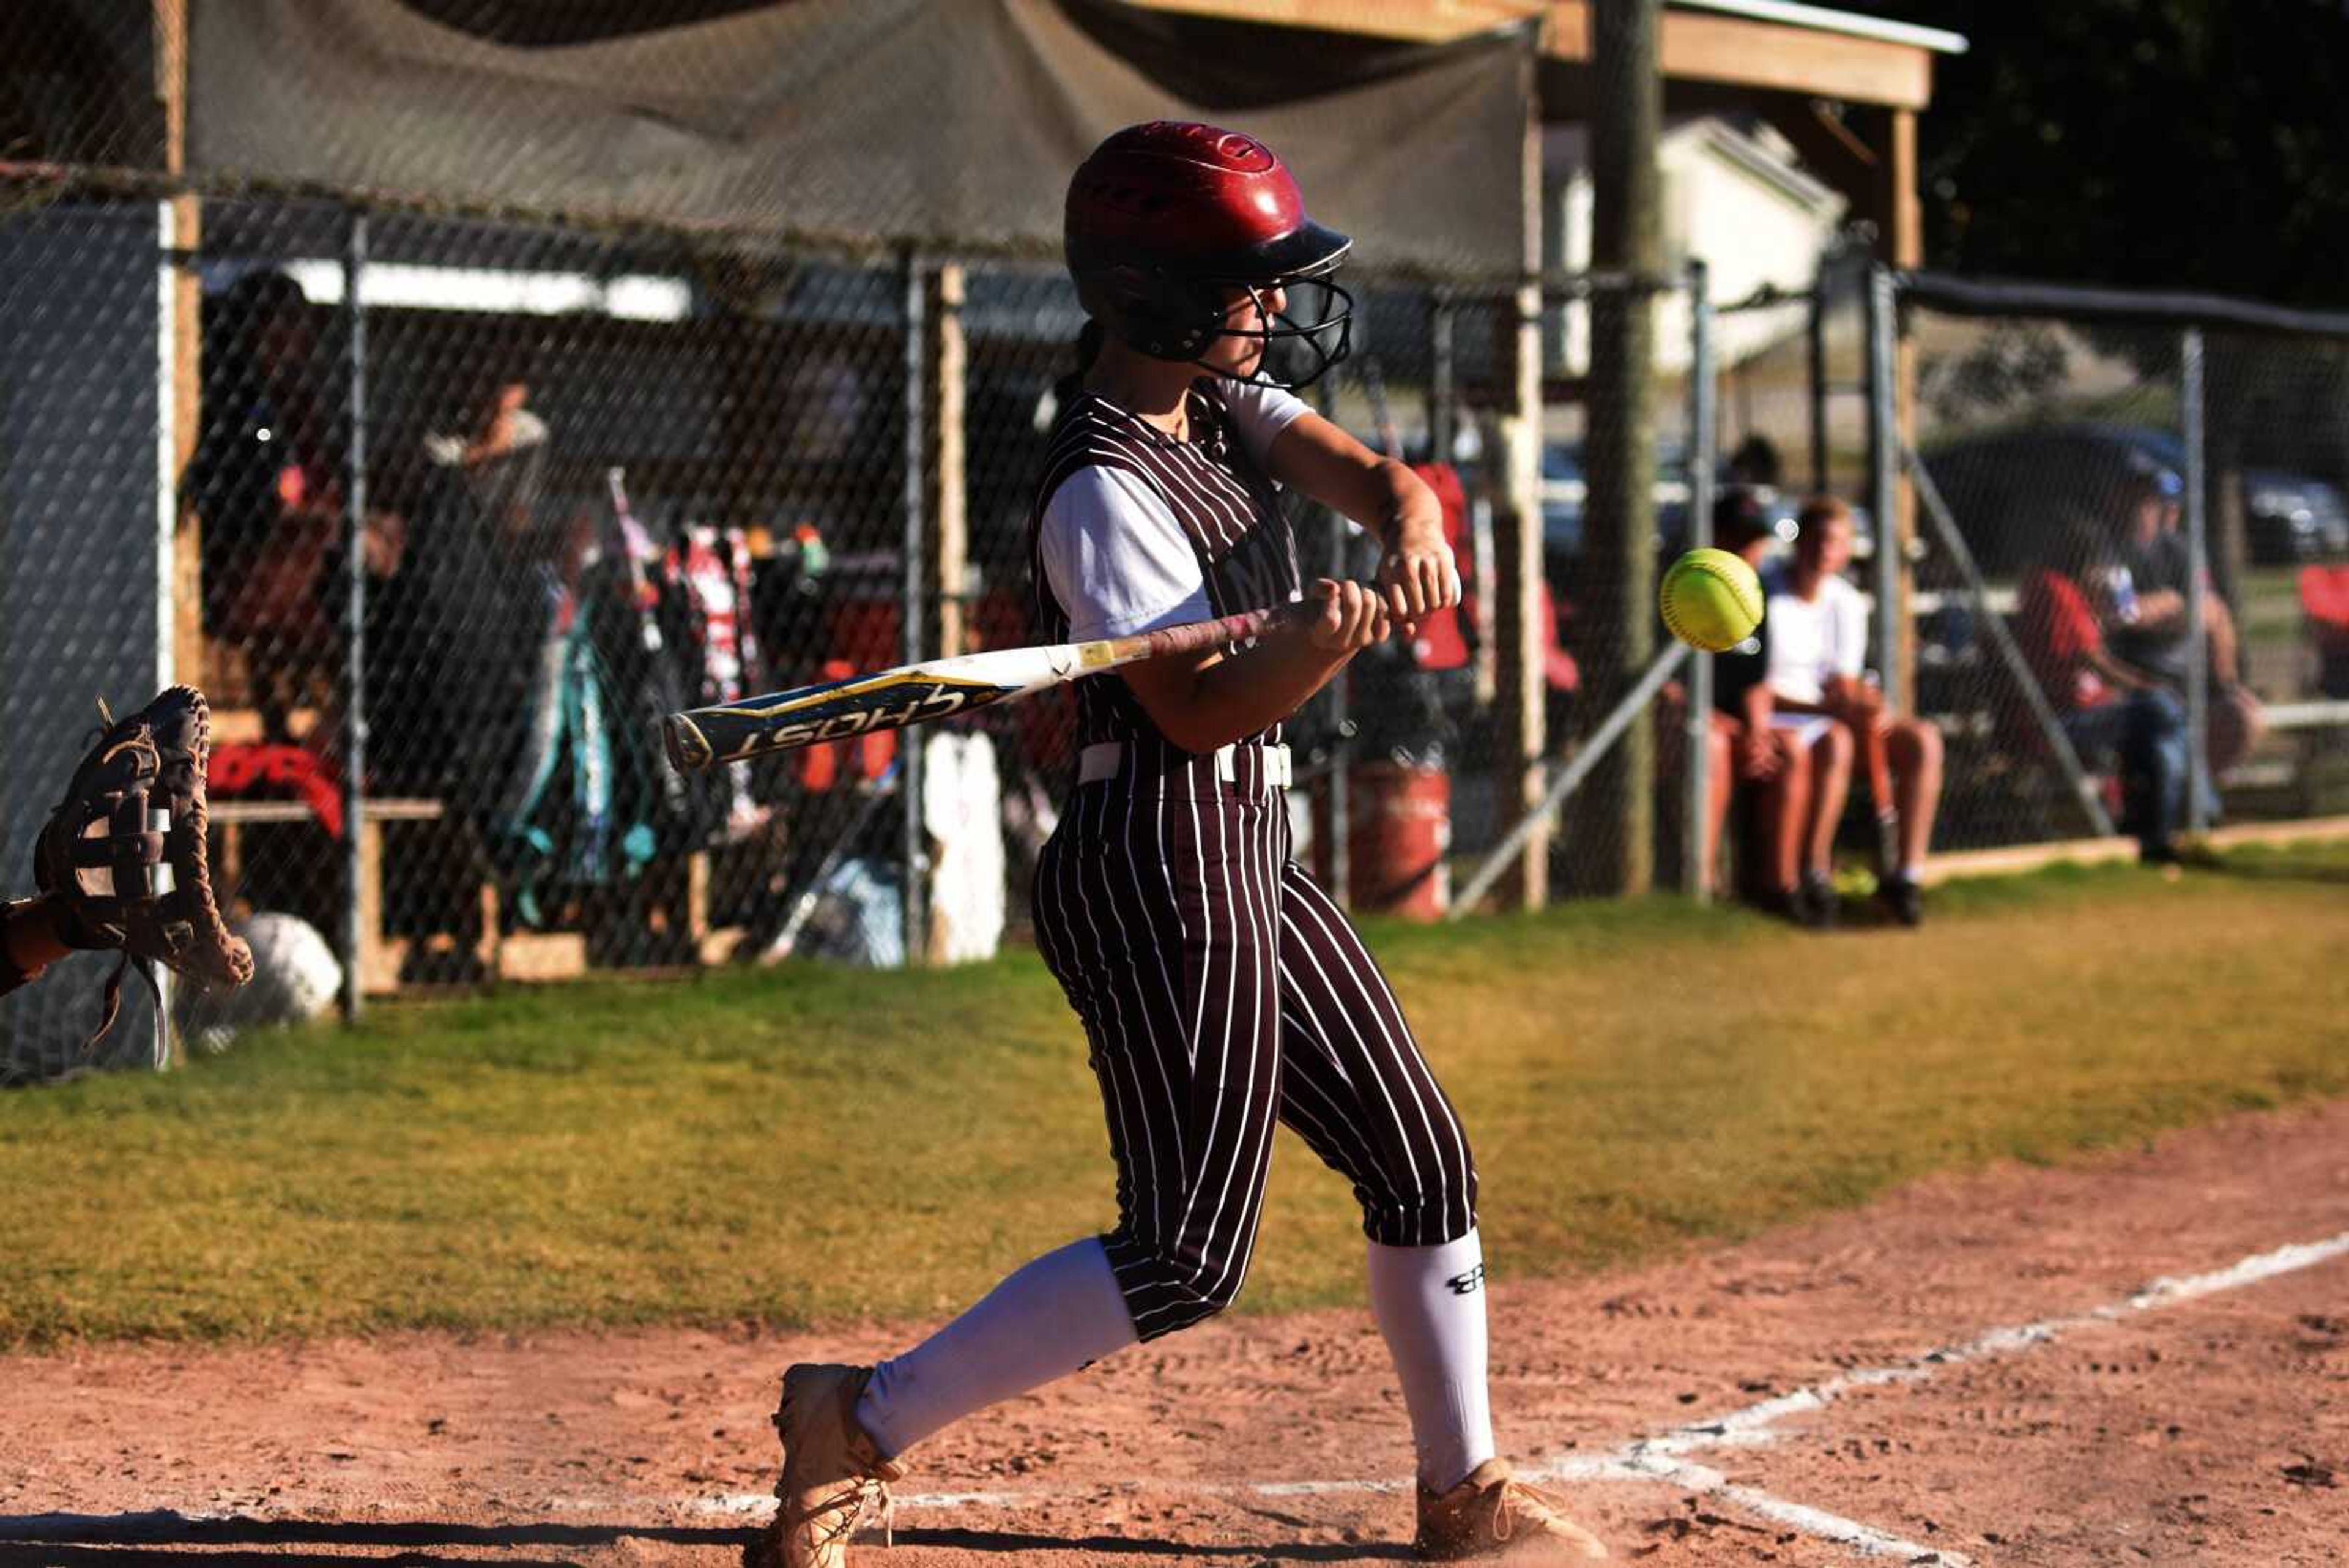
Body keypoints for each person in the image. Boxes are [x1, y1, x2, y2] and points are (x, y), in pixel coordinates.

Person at [749, 122, 1609, 1567]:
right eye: (1243, 281)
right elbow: (1198, 713)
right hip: (1155, 858)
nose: (1271, 306)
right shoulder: (1099, 486)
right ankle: (857, 1421)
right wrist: (1320, 647)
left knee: (1420, 1159)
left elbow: (1370, 478)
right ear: (1154, 295)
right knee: (1187, 1254)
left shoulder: (1218, 404)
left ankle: (1463, 1500)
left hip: (1242, 850)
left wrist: (1403, 520)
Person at [1761, 496, 1943, 926]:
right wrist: (1828, 707)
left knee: (1922, 739)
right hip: (1783, 719)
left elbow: (1842, 680)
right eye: (1817, 539)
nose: (1825, 550)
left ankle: (1905, 878)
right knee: (1837, 741)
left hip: (1825, 716)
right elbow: (1758, 687)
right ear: (1799, 542)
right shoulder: (1766, 593)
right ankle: (1816, 871)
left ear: (1846, 551)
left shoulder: (1846, 601)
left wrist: (1863, 703)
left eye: (1836, 542)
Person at [2019, 516, 2193, 862]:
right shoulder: (2054, 588)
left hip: (2086, 712)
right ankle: (2174, 823)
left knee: (2157, 736)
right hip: (2060, 721)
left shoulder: (2071, 591)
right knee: (2162, 710)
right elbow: (2092, 660)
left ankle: (2152, 830)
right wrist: (2146, 687)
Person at [1703, 492, 1817, 921]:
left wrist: (1755, 732)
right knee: (1711, 744)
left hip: (1735, 722)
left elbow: (1755, 683)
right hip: (1694, 722)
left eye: (1756, 541)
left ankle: (1780, 885)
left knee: (1788, 747)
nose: (1750, 551)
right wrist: (1714, 721)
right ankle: (1703, 886)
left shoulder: (1754, 594)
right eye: (1739, 540)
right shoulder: (1685, 585)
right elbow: (1670, 688)